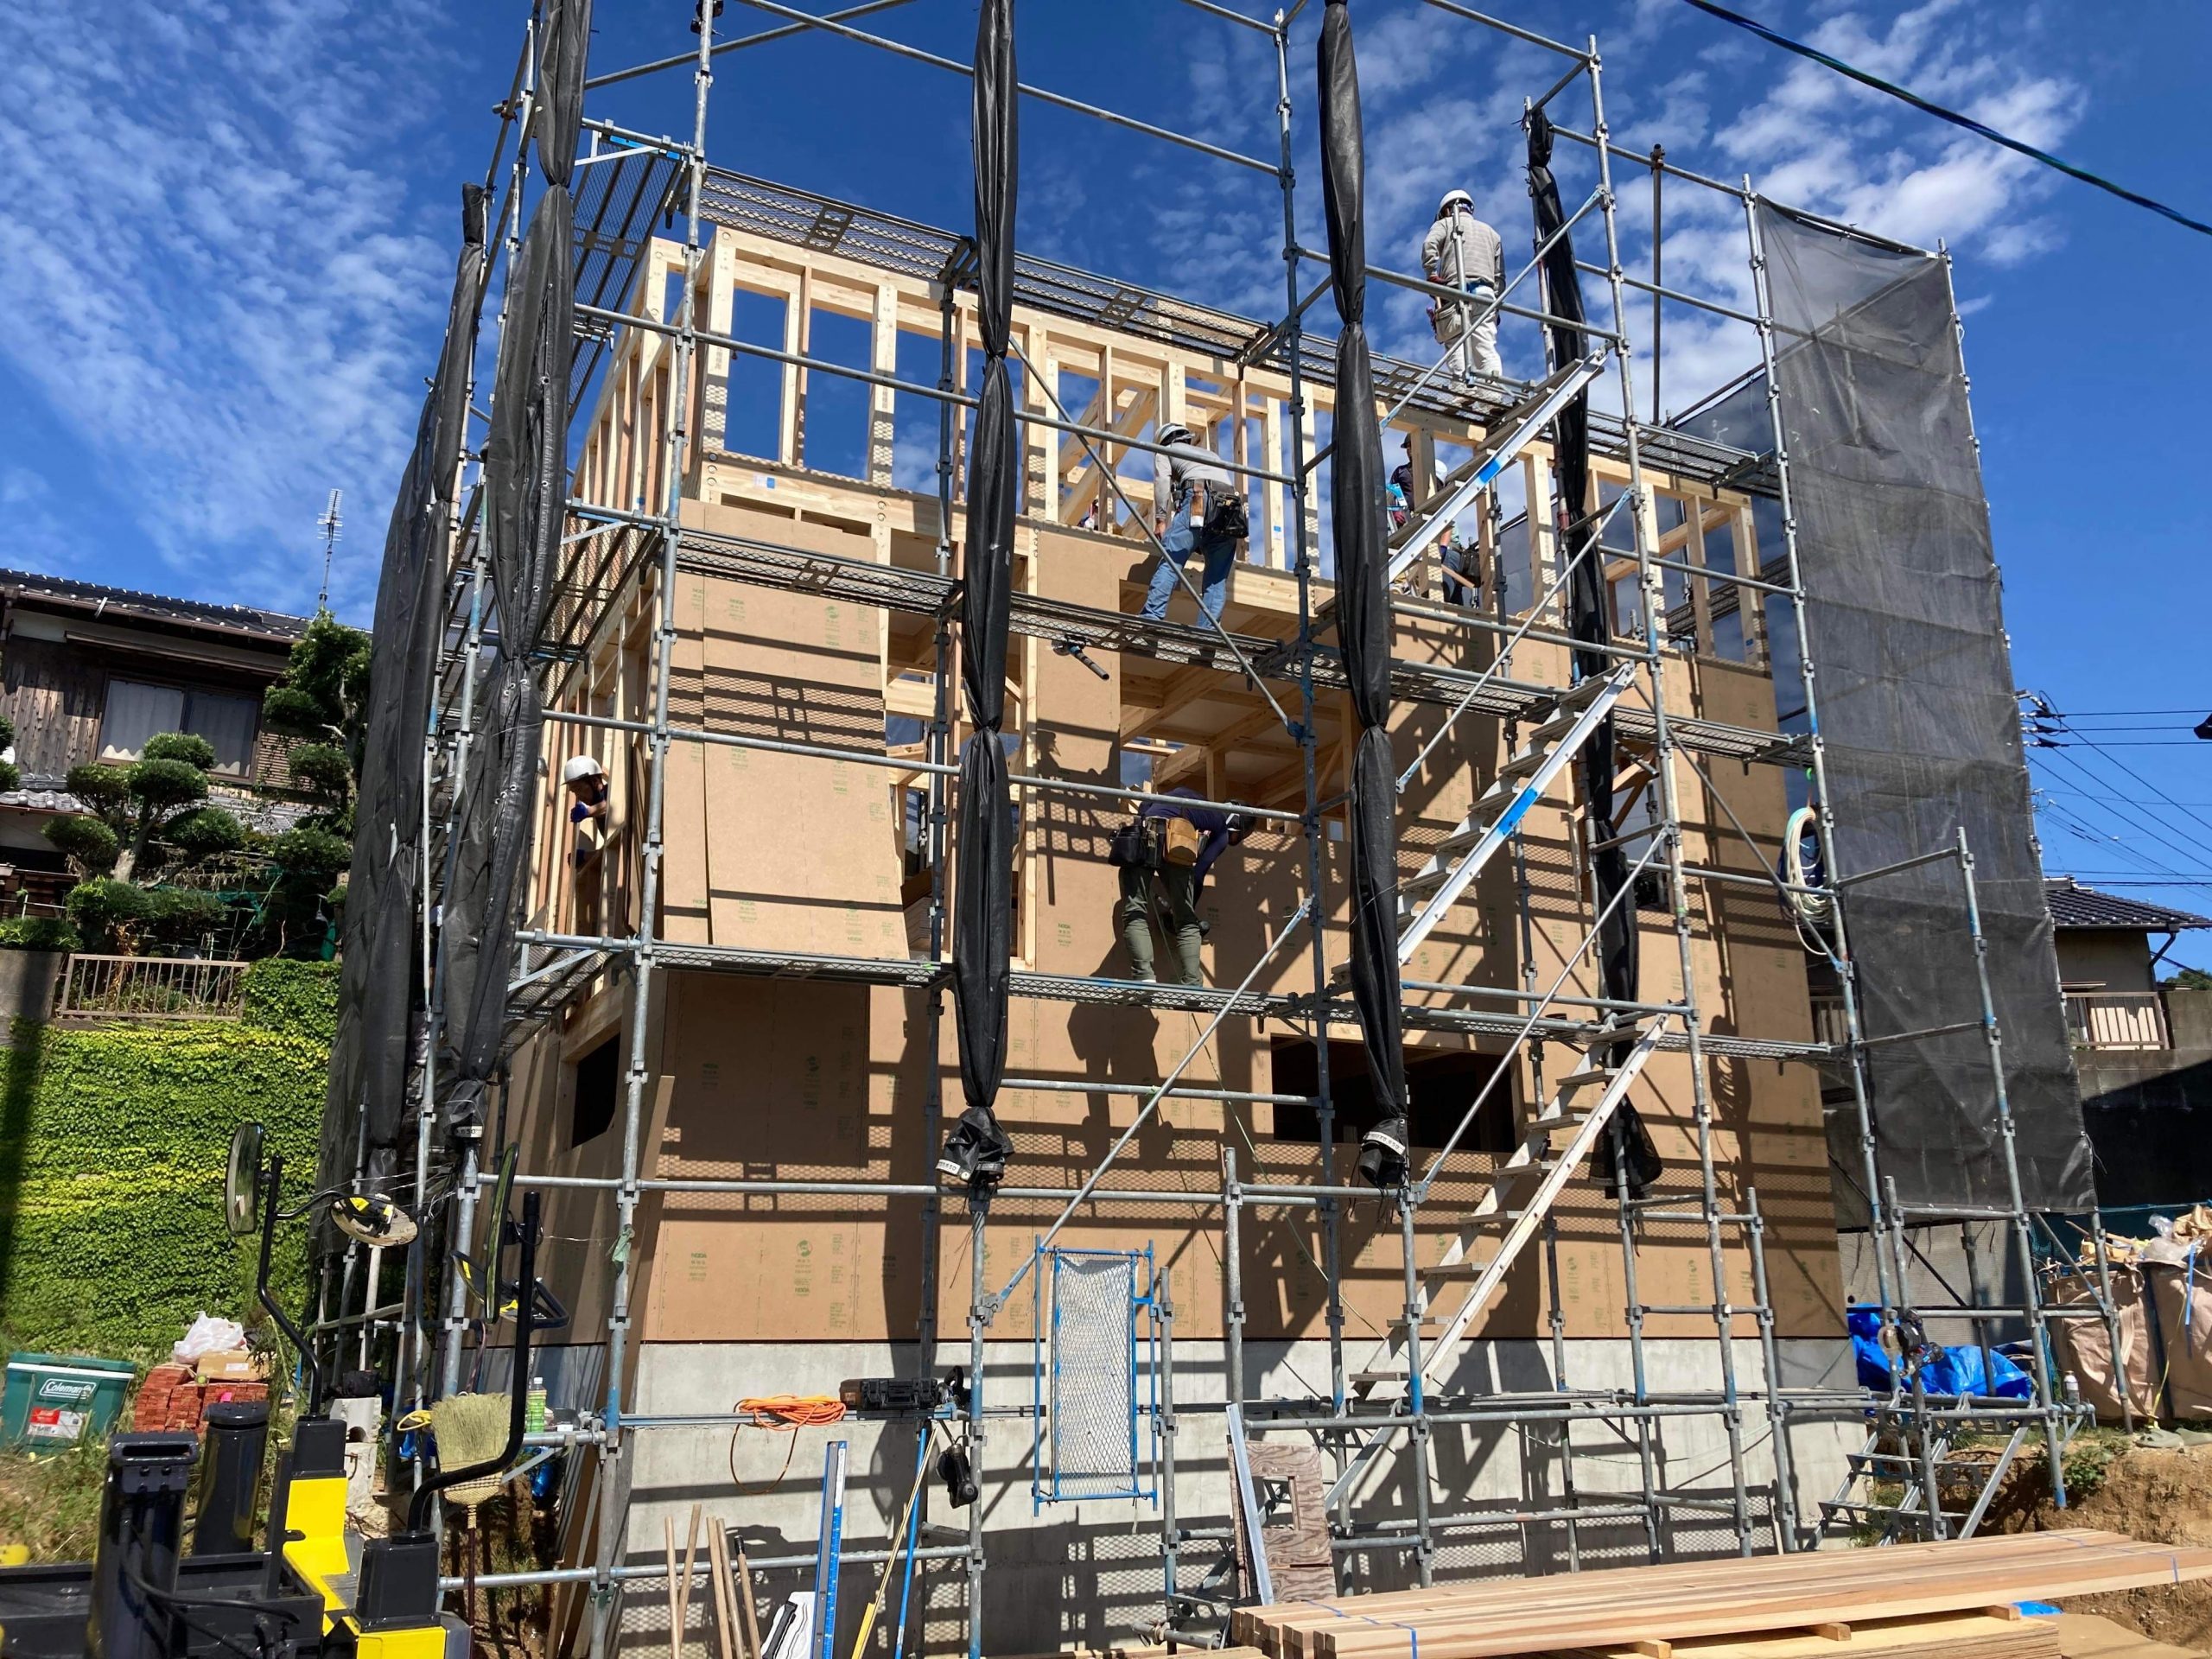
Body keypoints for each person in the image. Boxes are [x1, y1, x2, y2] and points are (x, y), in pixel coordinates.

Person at [1112, 788, 1250, 985]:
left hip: (1146, 832)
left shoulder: (1183, 793)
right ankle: (1193, 984)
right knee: (1186, 922)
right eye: (1238, 836)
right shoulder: (1221, 829)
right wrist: (1186, 908)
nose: (1233, 840)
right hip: (1178, 841)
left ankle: (1144, 978)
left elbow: (1145, 806)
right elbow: (1198, 875)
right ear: (1236, 825)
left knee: (1135, 912)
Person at [1142, 423, 1245, 623]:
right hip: (1231, 509)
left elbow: (1162, 482)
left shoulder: (1166, 450)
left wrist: (1161, 520)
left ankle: (1152, 617)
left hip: (1199, 498)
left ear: (1163, 441)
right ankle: (1208, 632)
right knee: (1216, 579)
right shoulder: (1211, 456)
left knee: (1171, 561)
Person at [1421, 188, 1504, 382]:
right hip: (1485, 294)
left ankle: (1462, 391)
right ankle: (1493, 392)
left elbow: (1429, 246)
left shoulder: (1445, 223)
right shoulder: (1492, 234)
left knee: (1455, 343)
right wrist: (1496, 306)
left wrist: (1431, 275)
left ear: (1447, 210)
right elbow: (1499, 276)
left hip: (1455, 292)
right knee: (1485, 346)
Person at [1389, 442, 1478, 607]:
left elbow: (1447, 527)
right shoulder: (1417, 509)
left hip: (1448, 554)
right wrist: (1396, 511)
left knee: (1440, 598)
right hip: (1439, 554)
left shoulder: (1438, 502)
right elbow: (1392, 491)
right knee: (1452, 603)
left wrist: (1441, 549)